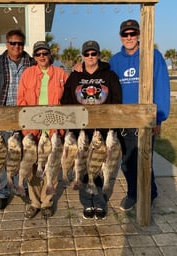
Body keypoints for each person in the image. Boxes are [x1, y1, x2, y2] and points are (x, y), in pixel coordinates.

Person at [109, 19, 170, 211]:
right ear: (121, 36)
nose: (129, 37)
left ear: (138, 35)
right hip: (123, 120)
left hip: (144, 119)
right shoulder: (114, 60)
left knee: (144, 160)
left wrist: (158, 118)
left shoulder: (153, 55)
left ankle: (149, 194)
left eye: (132, 34)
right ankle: (133, 193)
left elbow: (161, 87)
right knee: (126, 162)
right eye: (125, 34)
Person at [61, 40, 123, 220]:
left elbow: (117, 100)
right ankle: (87, 203)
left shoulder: (110, 75)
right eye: (87, 54)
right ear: (82, 56)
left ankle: (101, 202)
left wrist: (113, 126)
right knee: (82, 167)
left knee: (99, 167)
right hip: (81, 132)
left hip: (102, 132)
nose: (90, 57)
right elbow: (66, 101)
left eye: (93, 53)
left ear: (98, 55)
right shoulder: (74, 76)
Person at [0, 29, 35, 210]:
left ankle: (22, 188)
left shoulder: (32, 63)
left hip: (26, 118)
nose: (16, 47)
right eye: (13, 43)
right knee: (1, 157)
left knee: (25, 157)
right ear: (6, 44)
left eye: (19, 43)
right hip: (2, 118)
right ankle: (2, 193)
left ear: (23, 45)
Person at [17, 41, 68, 219]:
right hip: (33, 130)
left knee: (51, 166)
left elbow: (68, 100)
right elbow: (21, 100)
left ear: (49, 55)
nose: (42, 57)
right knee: (32, 166)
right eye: (38, 54)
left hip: (54, 129)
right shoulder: (27, 74)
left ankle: (47, 203)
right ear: (34, 57)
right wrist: (29, 125)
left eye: (44, 53)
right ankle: (34, 202)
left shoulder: (61, 74)